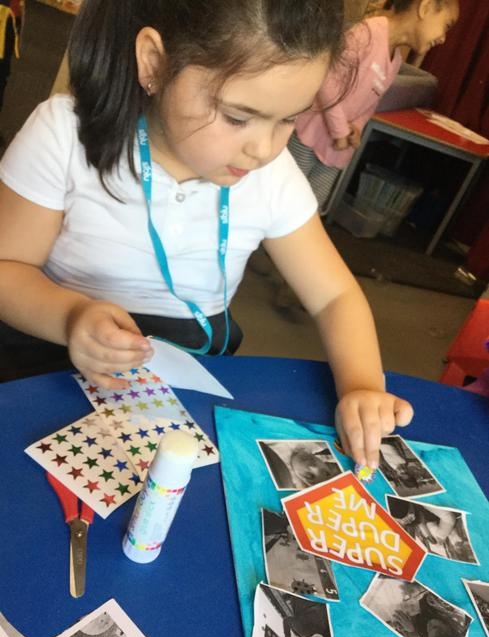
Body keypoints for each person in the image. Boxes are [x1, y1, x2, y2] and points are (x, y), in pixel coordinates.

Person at [0, 0, 413, 469]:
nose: (263, 149)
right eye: (237, 117)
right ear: (154, 63)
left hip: (188, 373)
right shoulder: (67, 135)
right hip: (53, 355)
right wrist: (71, 316)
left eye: (288, 119)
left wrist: (362, 385)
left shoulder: (272, 175)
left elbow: (335, 295)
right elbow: (7, 269)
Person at [289, 0, 460, 213]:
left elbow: (371, 103)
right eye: (446, 25)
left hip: (336, 151)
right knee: (282, 198)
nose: (443, 38)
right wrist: (339, 129)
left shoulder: (395, 61)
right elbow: (326, 79)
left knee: (309, 210)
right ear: (425, 8)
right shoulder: (366, 33)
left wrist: (357, 126)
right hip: (309, 136)